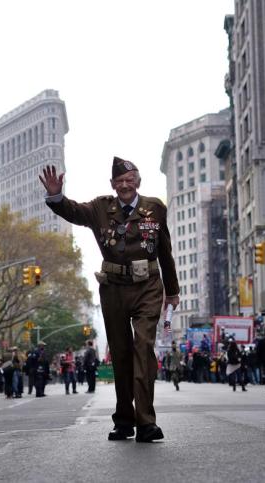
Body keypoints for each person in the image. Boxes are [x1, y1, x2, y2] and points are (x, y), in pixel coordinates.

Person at [41, 158, 179, 443]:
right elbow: (73, 211)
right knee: (121, 354)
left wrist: (172, 291)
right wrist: (56, 195)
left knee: (143, 349)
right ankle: (124, 421)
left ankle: (146, 422)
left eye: (130, 179)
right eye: (120, 181)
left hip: (148, 287)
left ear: (138, 181)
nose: (125, 185)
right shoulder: (100, 208)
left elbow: (164, 249)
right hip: (113, 288)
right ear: (112, 185)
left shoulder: (154, 208)